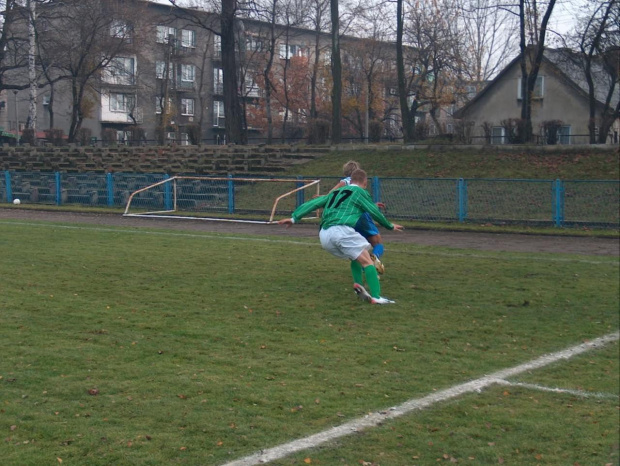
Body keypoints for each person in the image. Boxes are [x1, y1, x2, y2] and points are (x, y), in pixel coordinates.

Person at [279, 168, 404, 305]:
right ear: (365, 183)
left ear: (350, 181)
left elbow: (314, 203)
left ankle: (358, 287)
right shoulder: (360, 192)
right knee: (368, 261)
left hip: (324, 235)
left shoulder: (336, 192)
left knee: (356, 258)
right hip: (341, 231)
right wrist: (389, 225)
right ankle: (376, 297)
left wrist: (294, 218)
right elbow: (373, 211)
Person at [330, 160, 386, 274]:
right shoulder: (355, 183)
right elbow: (360, 201)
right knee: (378, 243)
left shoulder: (344, 182)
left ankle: (364, 267)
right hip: (361, 215)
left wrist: (321, 198)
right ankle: (373, 259)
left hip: (348, 218)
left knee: (356, 247)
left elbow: (332, 195)